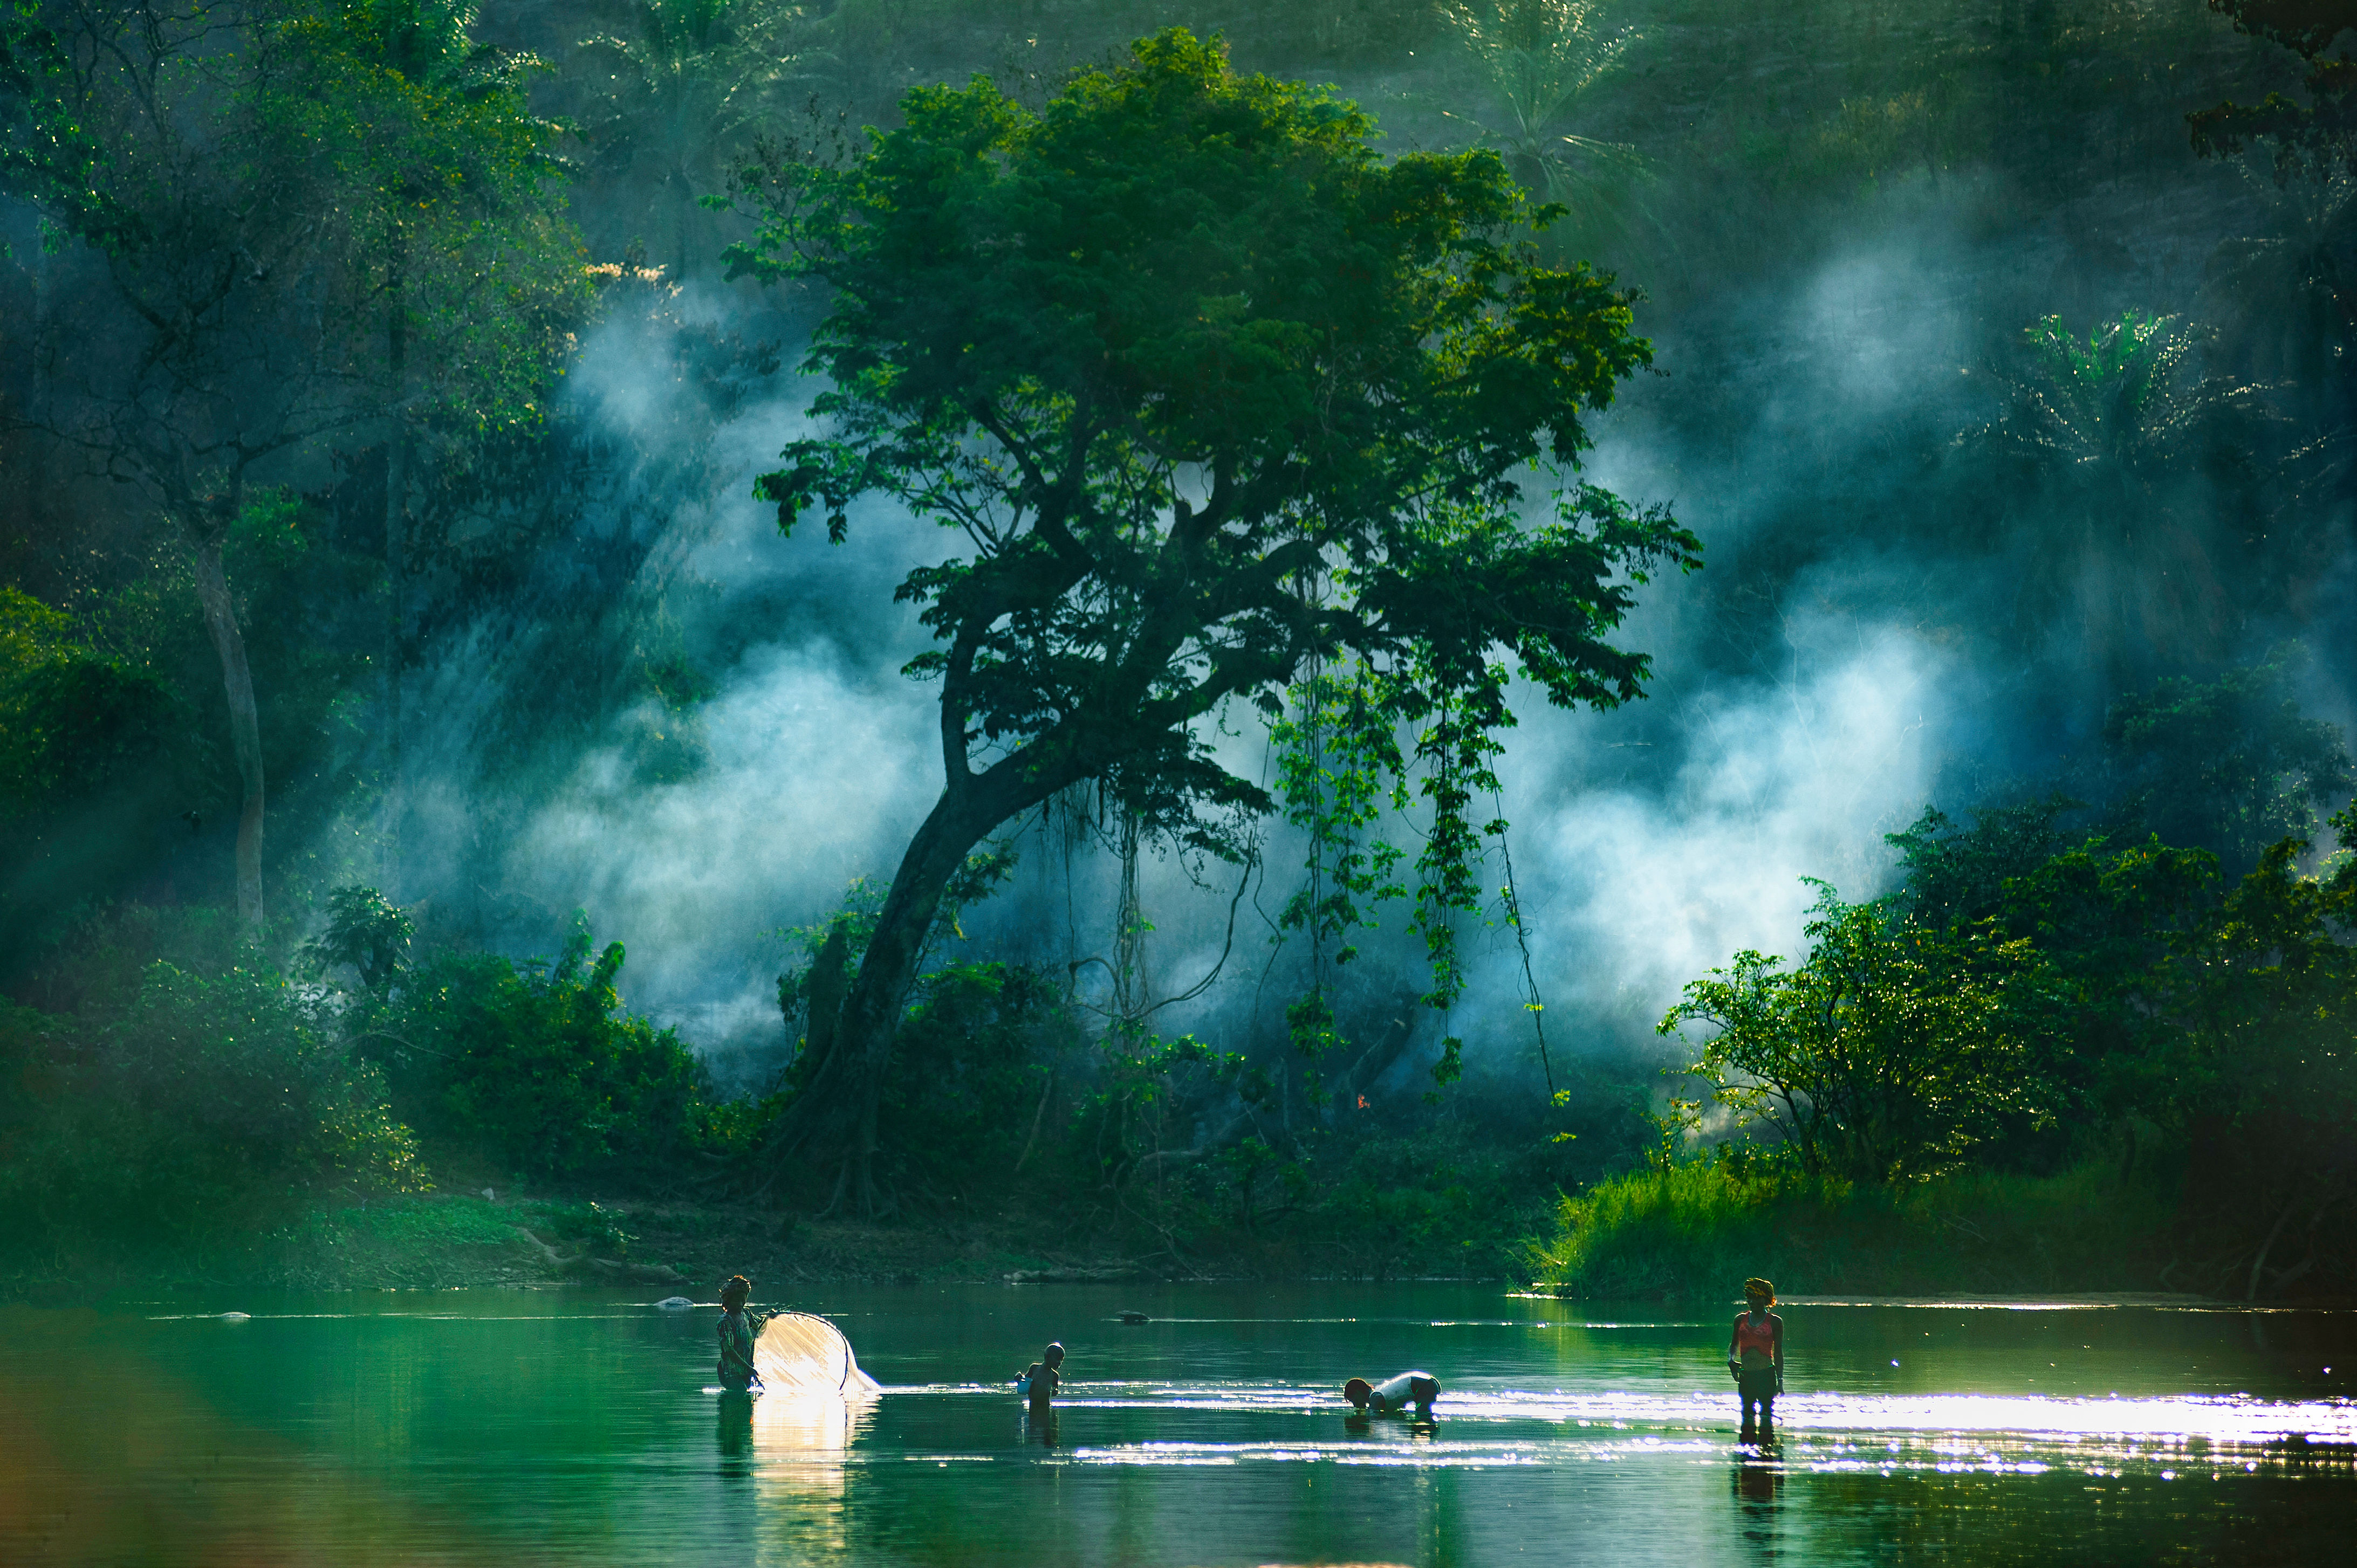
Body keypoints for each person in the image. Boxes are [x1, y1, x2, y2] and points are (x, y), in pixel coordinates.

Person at [1726, 1277, 1784, 1442]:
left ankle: (1767, 1456)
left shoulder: (1775, 1322)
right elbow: (1734, 1345)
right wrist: (1731, 1360)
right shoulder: (1740, 1320)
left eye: (1756, 1298)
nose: (1751, 1301)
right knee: (1747, 1418)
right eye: (1749, 1298)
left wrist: (1780, 1382)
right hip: (1747, 1377)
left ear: (1766, 1299)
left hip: (1766, 1376)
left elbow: (1778, 1353)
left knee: (1766, 1417)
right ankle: (1746, 1461)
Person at [717, 1275, 761, 1392]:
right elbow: (729, 1350)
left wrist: (772, 1318)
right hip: (731, 1371)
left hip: (747, 1368)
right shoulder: (726, 1322)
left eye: (744, 1300)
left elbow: (761, 1327)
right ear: (728, 1301)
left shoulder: (746, 1314)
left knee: (748, 1406)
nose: (741, 1304)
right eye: (737, 1301)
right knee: (741, 1393)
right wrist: (748, 1368)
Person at [1017, 1342, 1065, 1411]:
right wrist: (1019, 1379)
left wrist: (1055, 1391)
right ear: (1048, 1357)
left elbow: (1055, 1391)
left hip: (1045, 1407)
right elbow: (1025, 1384)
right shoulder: (1034, 1368)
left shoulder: (1055, 1375)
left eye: (1061, 1360)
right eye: (1057, 1359)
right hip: (1032, 1406)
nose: (1059, 1362)